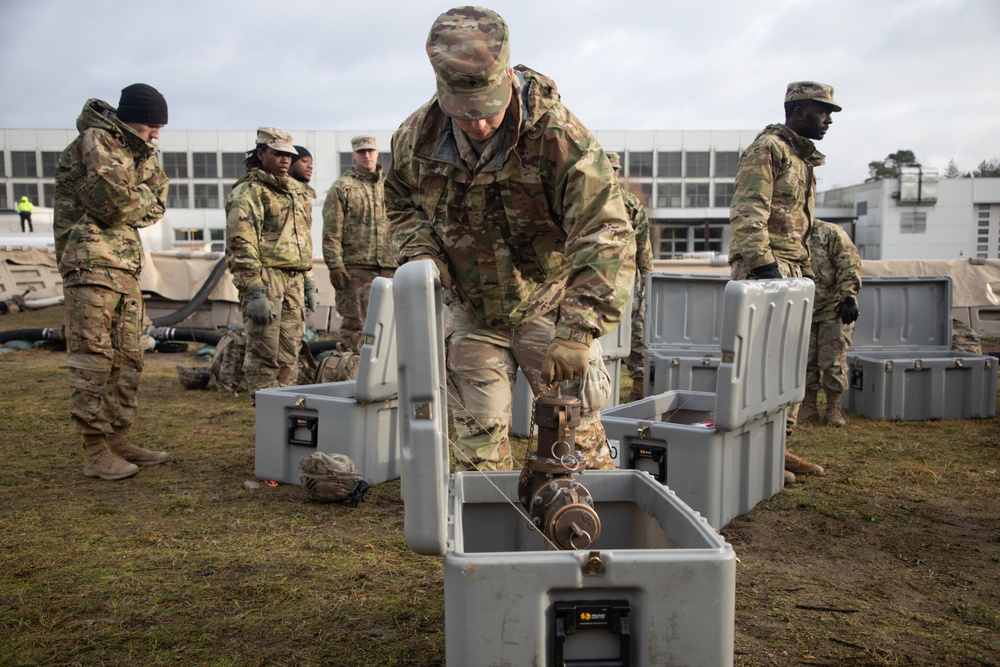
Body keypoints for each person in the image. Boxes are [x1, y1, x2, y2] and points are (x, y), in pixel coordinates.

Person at [385, 6, 635, 471]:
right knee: (476, 455)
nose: (478, 125)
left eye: (487, 110)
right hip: (473, 313)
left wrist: (579, 331)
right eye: (464, 113)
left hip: (549, 308)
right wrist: (421, 252)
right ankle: (489, 537)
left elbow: (605, 231)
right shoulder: (415, 139)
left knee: (573, 440)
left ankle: (577, 538)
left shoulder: (560, 138)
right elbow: (400, 205)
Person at [53, 83, 171, 480]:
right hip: (89, 263)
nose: (155, 135)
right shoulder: (95, 140)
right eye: (150, 126)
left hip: (123, 266)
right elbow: (114, 202)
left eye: (159, 127)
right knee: (94, 357)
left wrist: (135, 196)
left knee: (129, 356)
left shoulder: (139, 151)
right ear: (129, 118)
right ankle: (94, 449)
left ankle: (118, 436)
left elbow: (159, 202)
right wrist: (137, 197)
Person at [728, 80, 842, 482]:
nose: (828, 120)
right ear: (798, 112)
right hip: (766, 271)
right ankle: (750, 453)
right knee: (760, 366)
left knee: (789, 366)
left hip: (793, 271)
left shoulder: (802, 159)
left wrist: (806, 271)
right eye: (822, 111)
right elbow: (747, 211)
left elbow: (801, 227)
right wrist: (764, 268)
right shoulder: (769, 150)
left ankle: (777, 447)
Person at [225, 127, 318, 404]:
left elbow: (303, 240)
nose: (285, 160)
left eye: (288, 155)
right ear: (261, 153)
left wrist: (310, 280)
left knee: (290, 352)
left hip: (295, 281)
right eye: (277, 154)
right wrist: (254, 289)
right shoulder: (249, 192)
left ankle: (286, 415)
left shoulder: (297, 192)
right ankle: (268, 422)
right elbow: (241, 243)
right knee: (264, 355)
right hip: (267, 280)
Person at [322, 135, 397, 355]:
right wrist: (335, 264)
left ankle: (388, 381)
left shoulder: (390, 186)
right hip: (356, 270)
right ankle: (352, 378)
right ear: (353, 154)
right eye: (362, 151)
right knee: (356, 327)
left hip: (391, 267)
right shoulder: (342, 188)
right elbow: (331, 231)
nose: (367, 155)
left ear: (377, 153)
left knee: (392, 325)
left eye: (370, 151)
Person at [796, 219, 861, 427]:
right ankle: (808, 407)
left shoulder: (829, 232)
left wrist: (848, 296)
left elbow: (848, 262)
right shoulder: (789, 233)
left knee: (833, 361)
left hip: (831, 308)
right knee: (804, 362)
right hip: (802, 309)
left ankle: (834, 409)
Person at [608, 152, 654, 402]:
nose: (612, 174)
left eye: (615, 169)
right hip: (594, 277)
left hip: (626, 280)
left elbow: (643, 244)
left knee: (636, 331)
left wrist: (648, 278)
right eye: (608, 168)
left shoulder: (630, 204)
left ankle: (639, 385)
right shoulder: (587, 199)